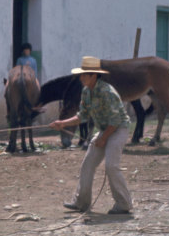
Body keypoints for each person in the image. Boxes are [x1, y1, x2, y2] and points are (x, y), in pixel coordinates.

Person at [49, 56, 132, 214]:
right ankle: (82, 202)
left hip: (118, 129)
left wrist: (103, 138)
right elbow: (82, 115)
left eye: (84, 75)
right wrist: (63, 123)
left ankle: (124, 204)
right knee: (87, 164)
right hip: (105, 130)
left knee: (111, 166)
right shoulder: (87, 91)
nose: (81, 78)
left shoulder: (107, 92)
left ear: (94, 76)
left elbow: (115, 121)